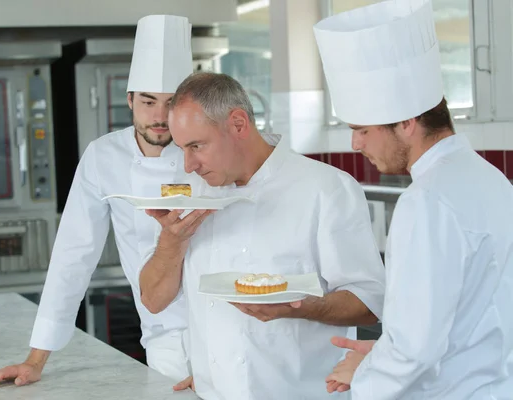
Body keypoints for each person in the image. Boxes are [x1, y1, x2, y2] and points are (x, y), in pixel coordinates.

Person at [0, 14, 195, 389]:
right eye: (148, 102)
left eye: (172, 103)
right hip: (164, 339)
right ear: (129, 100)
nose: (160, 117)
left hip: (230, 332)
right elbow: (74, 253)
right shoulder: (103, 156)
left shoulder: (209, 150)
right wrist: (36, 358)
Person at [139, 72, 386, 399]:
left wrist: (298, 308)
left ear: (238, 124)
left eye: (197, 146)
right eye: (183, 148)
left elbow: (370, 302)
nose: (188, 165)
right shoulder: (192, 194)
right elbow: (153, 301)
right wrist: (172, 241)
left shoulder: (326, 189)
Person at [314, 1, 513, 398]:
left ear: (406, 122)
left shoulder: (426, 202)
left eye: (362, 130)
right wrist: (378, 354)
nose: (355, 144)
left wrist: (363, 377)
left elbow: (414, 351)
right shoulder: (491, 180)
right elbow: (470, 318)